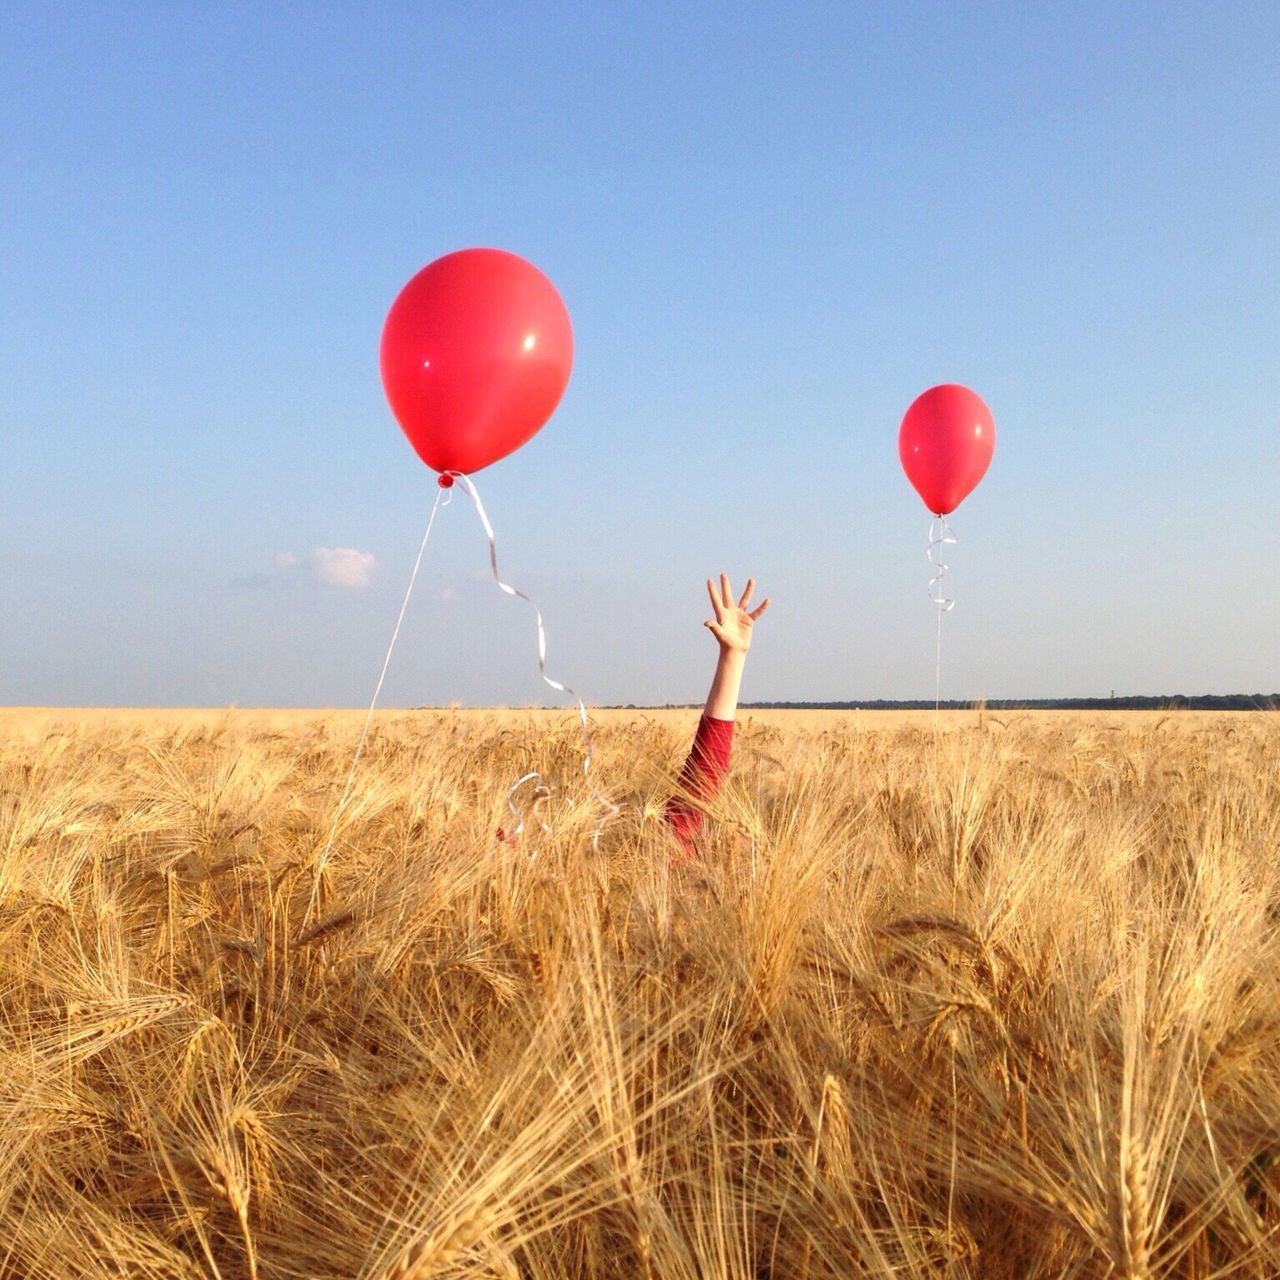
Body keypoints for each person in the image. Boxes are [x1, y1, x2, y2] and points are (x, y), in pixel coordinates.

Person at [664, 573, 770, 859]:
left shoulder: (659, 848)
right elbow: (703, 780)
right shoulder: (653, 853)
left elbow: (703, 776)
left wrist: (733, 657)